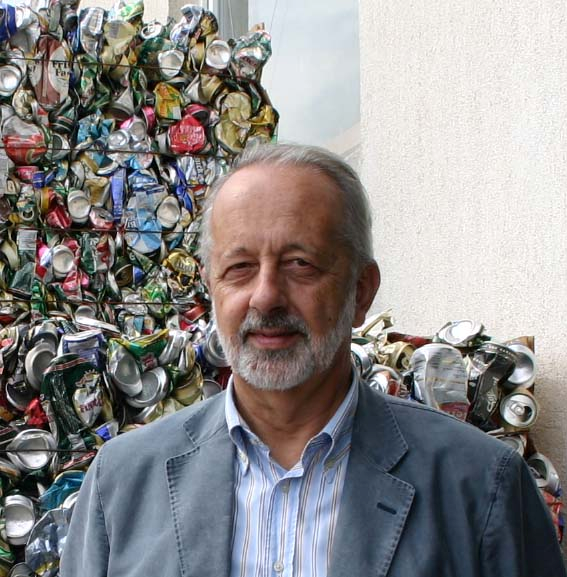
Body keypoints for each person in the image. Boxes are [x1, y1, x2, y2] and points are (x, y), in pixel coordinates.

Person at [60, 143, 566, 577]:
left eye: (300, 264)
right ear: (211, 287)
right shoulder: (122, 483)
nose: (265, 296)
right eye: (240, 267)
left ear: (361, 291)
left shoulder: (481, 483)